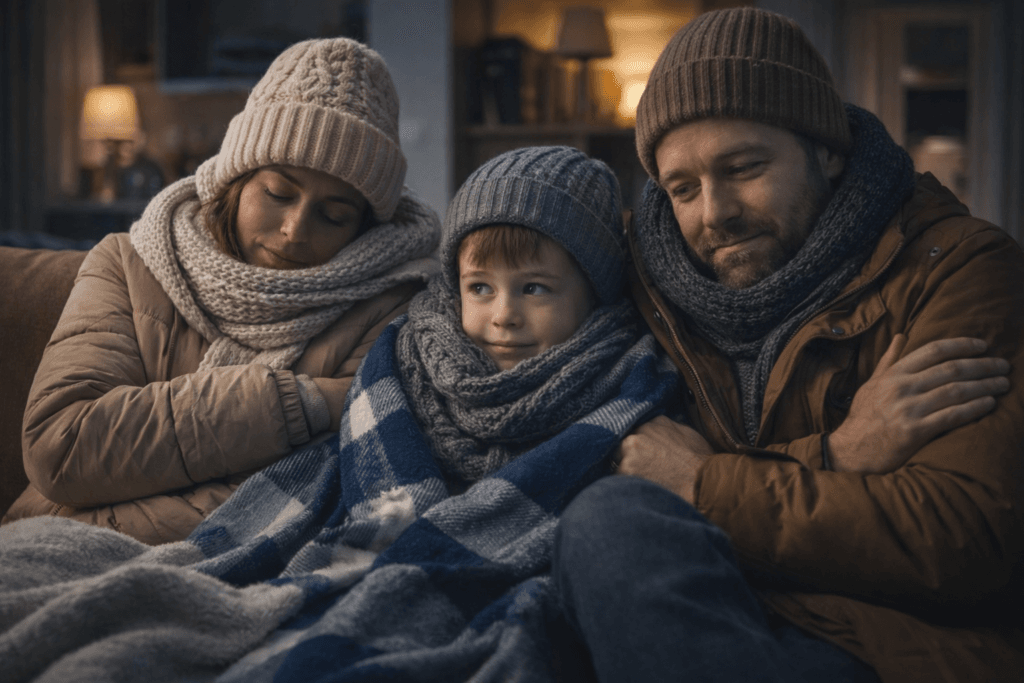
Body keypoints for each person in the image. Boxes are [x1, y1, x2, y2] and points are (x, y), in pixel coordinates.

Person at [553, 7, 1024, 682]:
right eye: (682, 188)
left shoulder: (960, 268)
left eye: (743, 167)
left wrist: (705, 484)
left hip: (885, 641)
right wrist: (838, 454)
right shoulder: (647, 287)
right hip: (705, 609)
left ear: (826, 150)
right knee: (605, 522)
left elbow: (966, 537)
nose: (714, 212)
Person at [1, 38, 441, 545]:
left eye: (334, 214)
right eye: (278, 193)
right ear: (237, 178)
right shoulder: (127, 263)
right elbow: (63, 445)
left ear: (362, 224)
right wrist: (306, 402)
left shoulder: (390, 304)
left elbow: (310, 498)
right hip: (42, 544)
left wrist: (127, 463)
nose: (296, 230)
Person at [397, 145, 671, 491]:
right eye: (480, 287)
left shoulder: (637, 396)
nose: (504, 317)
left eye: (534, 289)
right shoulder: (408, 368)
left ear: (594, 295)